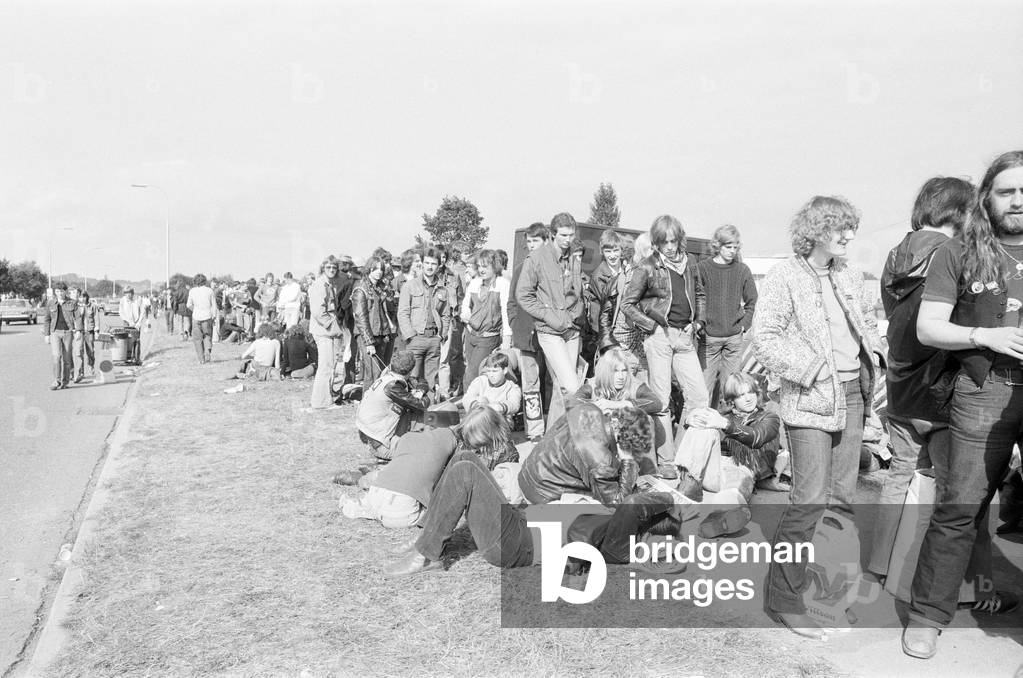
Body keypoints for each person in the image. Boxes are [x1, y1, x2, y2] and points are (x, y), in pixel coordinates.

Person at [903, 151, 1023, 658]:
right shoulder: (960, 253)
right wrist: (985, 335)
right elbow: (928, 326)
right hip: (983, 389)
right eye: (1007, 191)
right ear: (987, 197)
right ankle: (928, 616)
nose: (1019, 200)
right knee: (959, 509)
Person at [753, 195, 883, 640]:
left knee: (842, 502)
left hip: (852, 396)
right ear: (815, 231)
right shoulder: (784, 276)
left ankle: (828, 595)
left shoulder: (849, 274)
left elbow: (865, 323)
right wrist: (814, 369)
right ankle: (785, 600)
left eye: (851, 228)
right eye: (839, 228)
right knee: (808, 501)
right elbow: (766, 337)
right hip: (810, 399)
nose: (849, 236)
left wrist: (875, 359)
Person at [384, 406, 669, 577]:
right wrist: (631, 465)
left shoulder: (617, 521)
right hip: (520, 522)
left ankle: (426, 554)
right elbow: (627, 500)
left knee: (466, 467)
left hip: (515, 544)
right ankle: (426, 543)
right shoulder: (606, 479)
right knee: (464, 459)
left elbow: (628, 505)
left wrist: (633, 471)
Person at [868, 177, 976, 582]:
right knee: (952, 489)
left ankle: (881, 564)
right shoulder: (955, 254)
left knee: (899, 477)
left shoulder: (896, 254)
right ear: (962, 212)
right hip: (945, 387)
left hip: (900, 386)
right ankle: (942, 575)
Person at [620, 214, 709, 478]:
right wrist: (653, 327)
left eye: (673, 241)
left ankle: (682, 452)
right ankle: (667, 461)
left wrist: (699, 322)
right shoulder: (647, 266)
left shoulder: (690, 262)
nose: (670, 246)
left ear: (680, 239)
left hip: (685, 335)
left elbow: (700, 294)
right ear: (657, 242)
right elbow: (627, 304)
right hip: (660, 336)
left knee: (699, 397)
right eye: (664, 242)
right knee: (661, 401)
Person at [343, 406, 516, 529]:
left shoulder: (504, 452)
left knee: (392, 478)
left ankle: (366, 485)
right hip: (410, 503)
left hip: (383, 493)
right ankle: (368, 481)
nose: (472, 443)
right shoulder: (461, 443)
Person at [515, 213, 585, 430]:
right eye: (563, 235)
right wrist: (548, 316)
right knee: (573, 387)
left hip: (571, 329)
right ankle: (576, 434)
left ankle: (554, 439)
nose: (568, 239)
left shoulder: (573, 256)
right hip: (549, 330)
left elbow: (576, 291)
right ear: (553, 234)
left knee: (560, 388)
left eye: (571, 235)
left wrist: (576, 313)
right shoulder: (536, 258)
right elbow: (523, 294)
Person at [677, 372, 784, 505]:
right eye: (741, 395)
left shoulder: (769, 418)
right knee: (703, 423)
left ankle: (715, 517)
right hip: (712, 468)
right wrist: (691, 419)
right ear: (732, 400)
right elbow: (701, 427)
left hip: (741, 470)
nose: (748, 399)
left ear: (757, 393)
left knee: (730, 504)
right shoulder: (722, 415)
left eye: (751, 393)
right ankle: (689, 483)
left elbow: (757, 437)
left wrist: (725, 424)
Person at [518, 403, 648, 505]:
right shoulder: (601, 460)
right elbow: (617, 503)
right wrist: (629, 460)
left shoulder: (589, 409)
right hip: (542, 496)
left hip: (528, 475)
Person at [697, 225, 758, 408]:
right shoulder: (702, 269)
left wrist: (743, 325)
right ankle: (696, 435)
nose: (732, 251)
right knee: (702, 393)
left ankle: (727, 435)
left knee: (731, 393)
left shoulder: (742, 270)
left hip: (733, 339)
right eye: (728, 246)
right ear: (717, 245)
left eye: (735, 247)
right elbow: (695, 300)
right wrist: (700, 325)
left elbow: (753, 301)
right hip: (708, 339)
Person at [507, 222, 550, 441]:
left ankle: (554, 426)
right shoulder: (520, 269)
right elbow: (512, 302)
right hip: (526, 334)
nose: (532, 245)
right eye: (530, 241)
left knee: (553, 381)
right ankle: (534, 430)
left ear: (546, 241)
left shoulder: (555, 267)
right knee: (530, 383)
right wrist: (515, 324)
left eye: (536, 241)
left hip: (550, 332)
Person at [355, 350, 431, 461]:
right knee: (419, 454)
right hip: (378, 443)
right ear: (410, 370)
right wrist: (421, 392)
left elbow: (419, 381)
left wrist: (419, 388)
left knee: (408, 409)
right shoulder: (393, 386)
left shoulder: (387, 376)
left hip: (367, 433)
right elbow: (422, 404)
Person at [398, 247, 451, 399]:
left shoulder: (443, 289)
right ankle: (413, 415)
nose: (429, 267)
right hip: (416, 338)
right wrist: (410, 336)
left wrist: (441, 335)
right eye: (427, 263)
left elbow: (446, 315)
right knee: (412, 378)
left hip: (434, 339)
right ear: (422, 263)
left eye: (433, 264)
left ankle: (430, 414)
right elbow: (403, 312)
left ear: (439, 265)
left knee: (431, 380)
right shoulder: (410, 286)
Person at [460, 249, 513, 389]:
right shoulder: (474, 283)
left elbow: (506, 313)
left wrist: (507, 339)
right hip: (470, 334)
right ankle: (472, 403)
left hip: (488, 337)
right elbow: (465, 305)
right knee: (469, 370)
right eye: (479, 266)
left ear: (494, 266)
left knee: (473, 374)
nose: (481, 270)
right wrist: (466, 316)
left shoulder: (503, 284)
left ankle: (472, 406)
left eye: (485, 266)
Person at [352, 255, 397, 392]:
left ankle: (377, 404)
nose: (379, 271)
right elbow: (360, 317)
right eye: (375, 268)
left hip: (382, 334)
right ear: (368, 269)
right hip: (367, 335)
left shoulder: (381, 288)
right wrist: (368, 342)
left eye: (381, 269)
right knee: (373, 373)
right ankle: (367, 405)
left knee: (382, 373)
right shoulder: (361, 289)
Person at [309, 256, 345, 409]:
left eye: (334, 268)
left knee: (329, 366)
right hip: (324, 331)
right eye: (328, 267)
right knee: (325, 367)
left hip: (328, 331)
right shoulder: (319, 285)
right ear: (323, 268)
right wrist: (333, 327)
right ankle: (321, 402)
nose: (331, 270)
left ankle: (326, 399)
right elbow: (318, 311)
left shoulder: (330, 285)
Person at [586, 229, 626, 357]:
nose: (612, 255)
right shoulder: (598, 276)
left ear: (621, 250)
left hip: (624, 328)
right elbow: (608, 306)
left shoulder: (627, 269)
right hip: (606, 331)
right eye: (608, 251)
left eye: (616, 250)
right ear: (602, 252)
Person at [462, 352, 521, 419]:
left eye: (495, 371)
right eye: (489, 371)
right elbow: (466, 398)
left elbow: (514, 405)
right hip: (479, 417)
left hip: (501, 421)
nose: (491, 375)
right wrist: (476, 404)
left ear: (504, 370)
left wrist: (501, 407)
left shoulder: (512, 387)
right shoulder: (480, 381)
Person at [42, 282, 77, 390]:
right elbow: (47, 319)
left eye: (61, 291)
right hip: (55, 332)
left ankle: (65, 381)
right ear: (55, 292)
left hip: (68, 332)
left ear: (65, 291)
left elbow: (78, 317)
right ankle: (56, 381)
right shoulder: (50, 303)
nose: (60, 293)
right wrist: (47, 334)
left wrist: (79, 330)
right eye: (57, 291)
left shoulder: (72, 303)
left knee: (67, 359)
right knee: (56, 357)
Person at [186, 273, 217, 365]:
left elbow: (188, 305)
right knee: (207, 335)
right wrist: (214, 316)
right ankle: (207, 351)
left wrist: (194, 309)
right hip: (207, 316)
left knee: (197, 339)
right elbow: (214, 305)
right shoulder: (210, 291)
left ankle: (201, 359)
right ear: (205, 281)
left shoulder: (192, 291)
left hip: (196, 316)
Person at [119, 287, 145, 363]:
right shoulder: (122, 300)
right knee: (127, 339)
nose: (128, 295)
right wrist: (129, 321)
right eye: (126, 293)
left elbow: (142, 312)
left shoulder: (138, 299)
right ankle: (126, 357)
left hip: (137, 321)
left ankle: (136, 358)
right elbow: (121, 313)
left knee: (136, 340)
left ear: (132, 293)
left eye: (129, 293)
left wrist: (139, 322)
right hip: (127, 322)